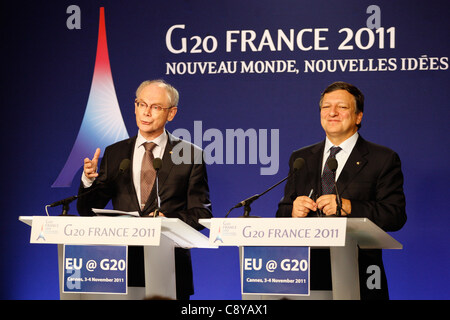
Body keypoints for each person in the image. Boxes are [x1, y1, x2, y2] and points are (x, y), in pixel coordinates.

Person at [77, 79, 213, 300]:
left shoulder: (189, 155)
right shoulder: (115, 153)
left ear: (171, 113)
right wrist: (88, 181)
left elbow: (201, 214)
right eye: (142, 104)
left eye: (156, 107)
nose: (147, 112)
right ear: (135, 107)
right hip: (118, 269)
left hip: (169, 269)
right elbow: (87, 209)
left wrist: (167, 221)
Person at [276, 81, 406, 299]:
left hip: (358, 272)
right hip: (304, 275)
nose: (332, 113)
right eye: (326, 107)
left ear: (358, 116)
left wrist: (349, 206)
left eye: (342, 107)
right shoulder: (301, 158)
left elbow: (394, 215)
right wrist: (292, 210)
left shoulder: (381, 159)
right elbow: (282, 211)